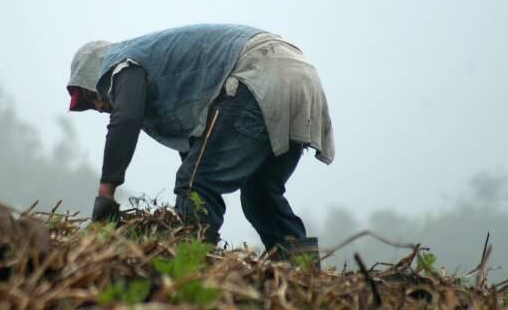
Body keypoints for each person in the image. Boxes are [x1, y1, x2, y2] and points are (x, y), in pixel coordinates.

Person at [67, 24, 334, 257]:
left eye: (91, 97)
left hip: (259, 71)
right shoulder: (160, 65)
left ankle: (191, 266)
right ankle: (305, 275)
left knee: (195, 184)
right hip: (301, 77)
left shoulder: (121, 63)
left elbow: (126, 120)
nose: (99, 107)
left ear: (95, 72)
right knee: (260, 197)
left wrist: (106, 194)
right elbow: (201, 146)